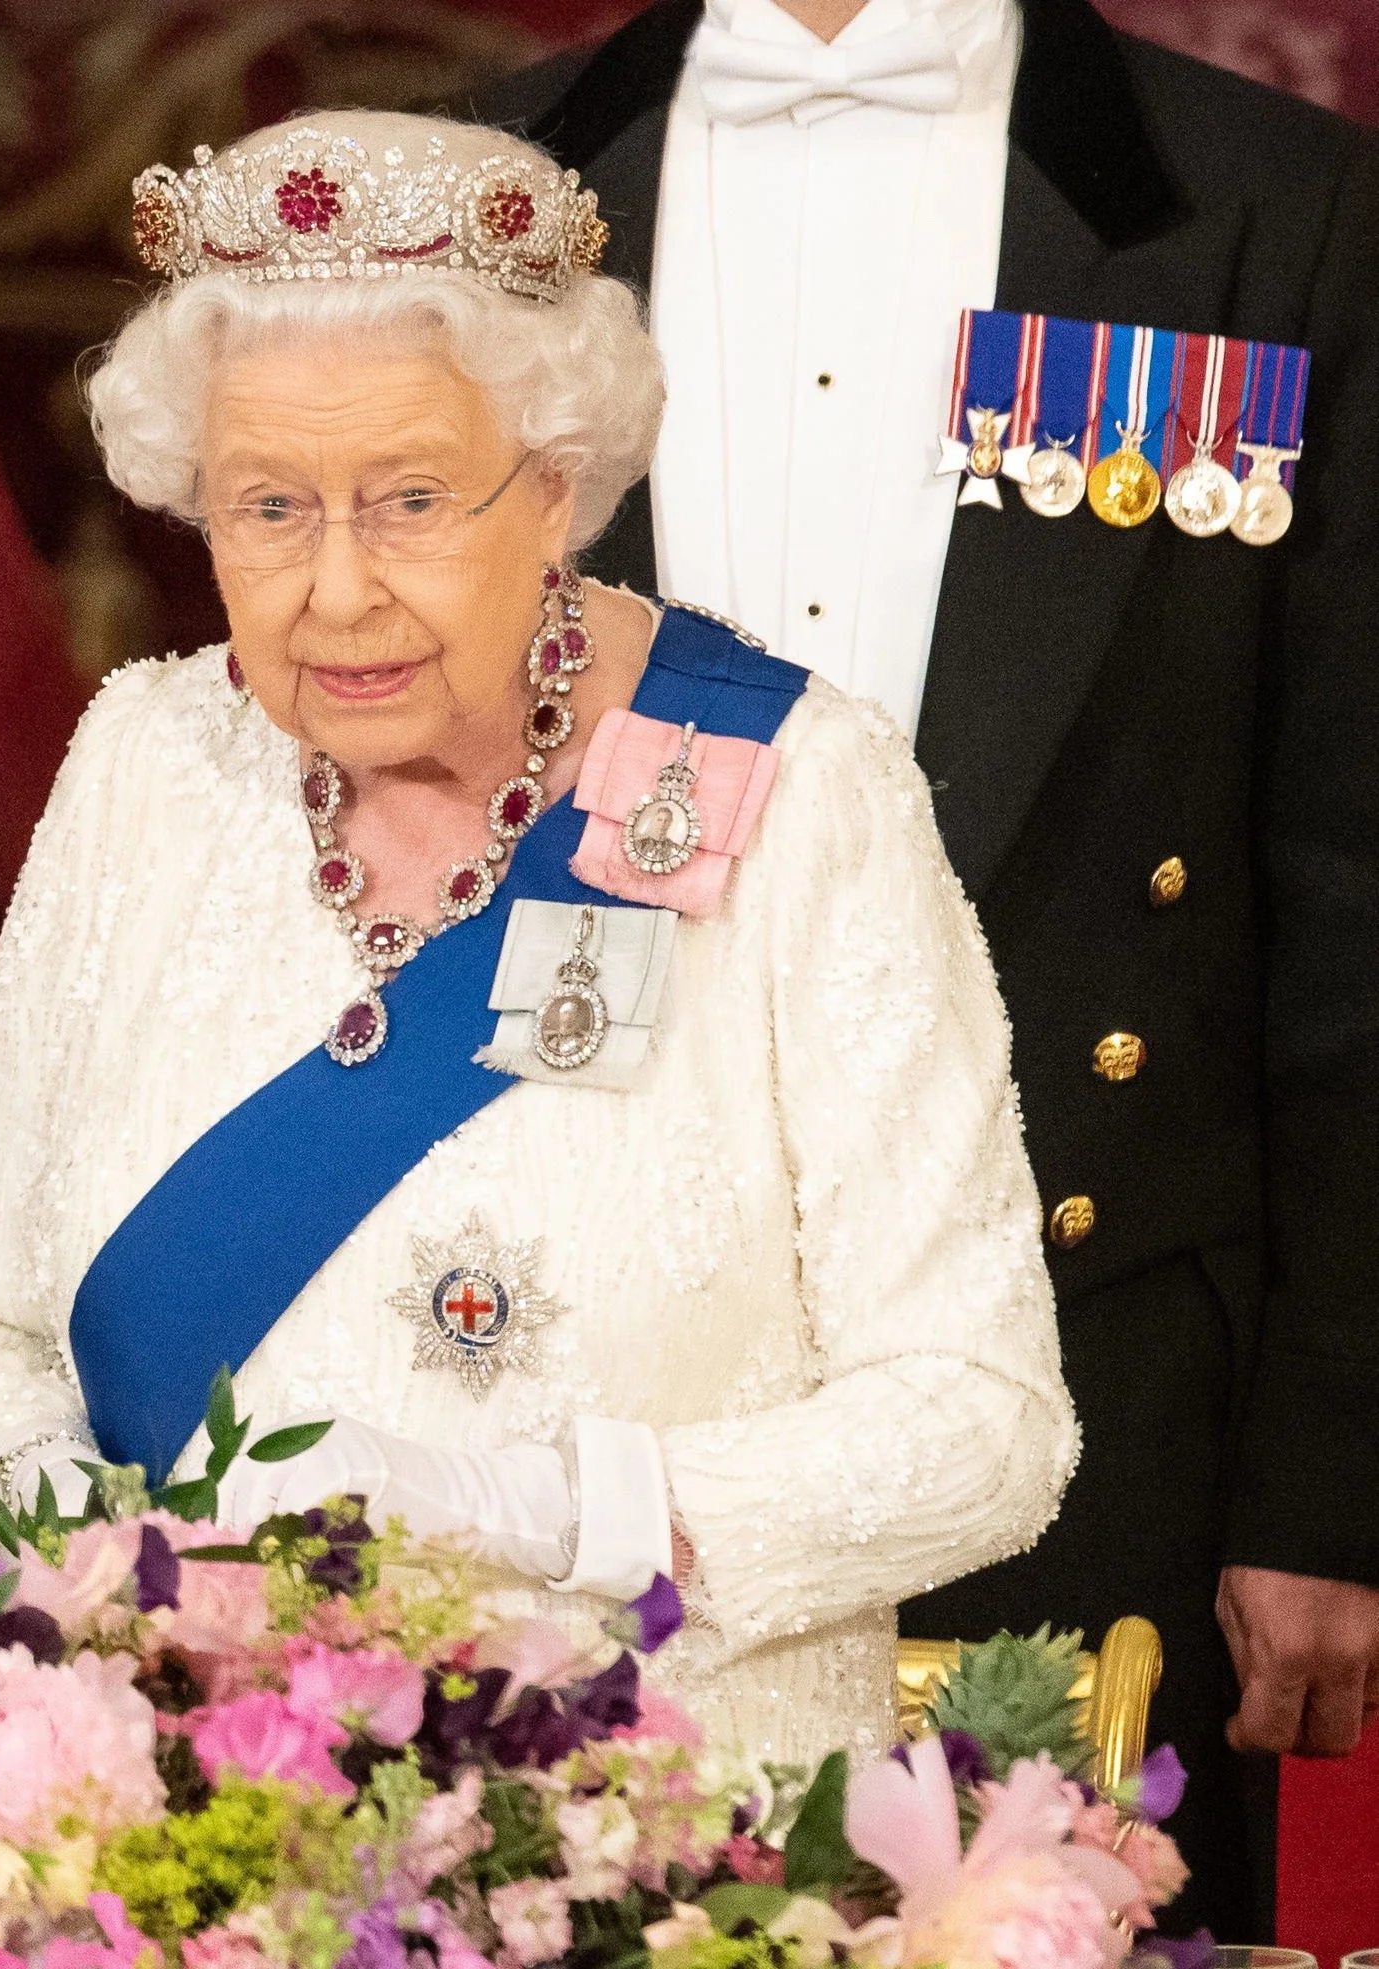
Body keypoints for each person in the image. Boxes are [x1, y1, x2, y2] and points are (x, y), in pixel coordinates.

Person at [0, 111, 1077, 1767]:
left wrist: (556, 1513)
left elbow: (983, 1421)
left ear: (559, 490)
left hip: (667, 1837)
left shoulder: (799, 788)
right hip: (200, 1811)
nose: (337, 591)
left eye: (414, 499)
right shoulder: (144, 760)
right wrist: (85, 1560)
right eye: (266, 509)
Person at [477, 0, 1379, 1931]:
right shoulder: (477, 198)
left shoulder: (1271, 212)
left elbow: (1351, 884)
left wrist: (1325, 1476)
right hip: (552, 1349)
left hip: (1083, 1366)